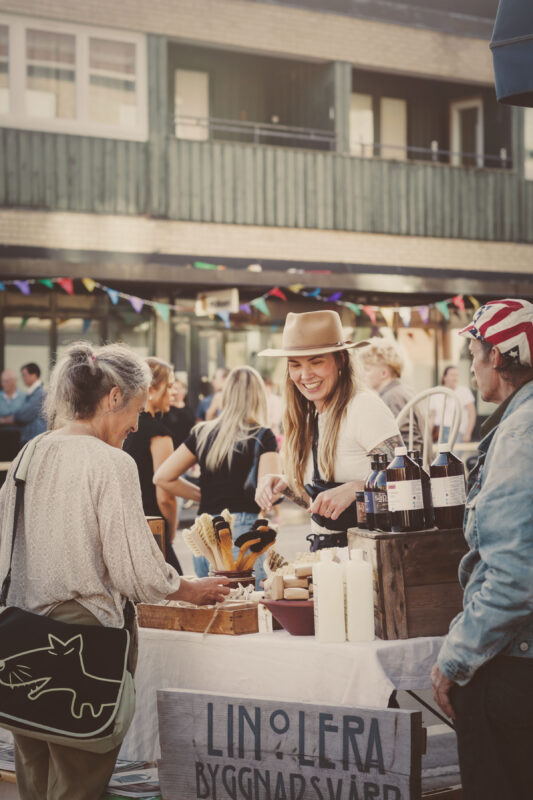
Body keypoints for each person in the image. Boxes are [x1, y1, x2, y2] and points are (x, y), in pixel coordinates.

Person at [0, 341, 229, 800]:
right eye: (138, 409)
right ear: (112, 398)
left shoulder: (30, 453)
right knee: (79, 784)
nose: (137, 423)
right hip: (84, 641)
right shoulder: (112, 464)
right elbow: (136, 572)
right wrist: (188, 588)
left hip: (21, 634)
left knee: (35, 781)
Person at [431, 299, 533, 800]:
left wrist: (455, 659)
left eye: (474, 350)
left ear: (498, 356)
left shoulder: (521, 431)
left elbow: (515, 574)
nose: (471, 365)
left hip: (514, 667)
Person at [256, 310, 402, 552]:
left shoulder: (362, 406)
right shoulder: (311, 415)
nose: (305, 375)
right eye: (295, 365)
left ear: (341, 360)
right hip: (326, 558)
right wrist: (285, 486)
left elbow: (410, 479)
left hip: (369, 558)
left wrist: (357, 487)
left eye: (316, 361)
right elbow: (319, 505)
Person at [154, 366, 280, 586]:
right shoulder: (262, 436)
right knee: (249, 610)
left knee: (215, 612)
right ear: (259, 396)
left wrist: (204, 496)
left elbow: (163, 477)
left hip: (205, 534)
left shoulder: (202, 433)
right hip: (243, 531)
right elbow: (267, 492)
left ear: (226, 395)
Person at [123, 358, 182, 574]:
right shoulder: (159, 433)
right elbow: (166, 497)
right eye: (170, 385)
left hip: (127, 527)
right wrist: (171, 532)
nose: (173, 392)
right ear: (152, 389)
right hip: (153, 528)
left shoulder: (124, 429)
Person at [358, 337, 424, 451]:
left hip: (409, 466)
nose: (363, 374)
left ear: (384, 373)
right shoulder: (403, 390)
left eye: (367, 369)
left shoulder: (393, 397)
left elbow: (410, 441)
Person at [0, 363, 46, 444]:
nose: (23, 378)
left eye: (24, 375)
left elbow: (23, 415)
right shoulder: (33, 393)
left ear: (34, 375)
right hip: (30, 438)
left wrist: (4, 420)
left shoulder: (39, 393)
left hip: (34, 438)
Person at [429, 365, 476, 443]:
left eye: (456, 375)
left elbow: (472, 414)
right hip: (439, 432)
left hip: (457, 432)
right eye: (452, 375)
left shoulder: (464, 391)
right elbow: (432, 417)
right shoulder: (436, 392)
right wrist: (428, 435)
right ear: (445, 377)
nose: (455, 378)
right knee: (439, 455)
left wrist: (468, 433)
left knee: (453, 455)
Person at [162, 377, 196, 450]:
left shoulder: (189, 409)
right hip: (172, 447)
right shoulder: (167, 409)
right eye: (176, 389)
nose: (178, 392)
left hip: (187, 448)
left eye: (181, 388)